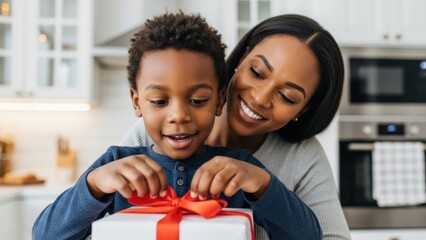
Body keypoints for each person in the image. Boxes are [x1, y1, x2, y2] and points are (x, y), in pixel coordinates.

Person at [32, 12, 322, 240]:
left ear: (219, 101)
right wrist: (94, 185)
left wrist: (262, 183)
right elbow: (46, 236)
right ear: (137, 102)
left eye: (197, 100)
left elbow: (308, 236)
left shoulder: (239, 170)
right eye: (159, 101)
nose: (179, 115)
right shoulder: (118, 164)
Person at [119, 14, 351, 240]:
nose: (260, 98)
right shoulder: (157, 134)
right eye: (257, 72)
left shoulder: (302, 156)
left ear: (303, 110)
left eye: (287, 97)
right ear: (242, 57)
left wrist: (263, 185)